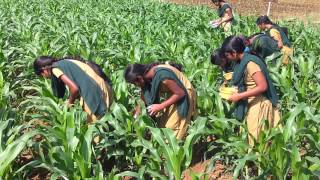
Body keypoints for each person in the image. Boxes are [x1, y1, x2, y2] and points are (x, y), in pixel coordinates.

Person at [221, 36, 280, 145]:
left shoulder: (250, 64)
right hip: (249, 101)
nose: (227, 58)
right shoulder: (241, 61)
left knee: (257, 140)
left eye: (227, 55)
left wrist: (239, 96)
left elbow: (262, 86)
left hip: (259, 103)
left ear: (234, 52)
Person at [124, 62, 197, 140]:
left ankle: (176, 147)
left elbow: (180, 93)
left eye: (134, 83)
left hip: (184, 94)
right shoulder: (146, 79)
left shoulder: (162, 76)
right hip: (173, 94)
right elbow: (142, 100)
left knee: (171, 129)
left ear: (139, 78)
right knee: (162, 125)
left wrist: (160, 106)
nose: (135, 85)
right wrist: (135, 117)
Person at [33, 56, 113, 123]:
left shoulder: (55, 69)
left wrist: (70, 103)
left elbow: (74, 89)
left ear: (44, 70)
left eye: (41, 75)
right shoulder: (65, 62)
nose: (44, 77)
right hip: (103, 86)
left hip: (93, 91)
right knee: (106, 121)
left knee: (95, 127)